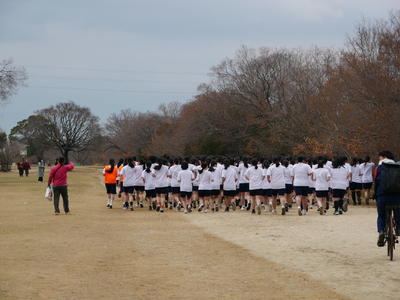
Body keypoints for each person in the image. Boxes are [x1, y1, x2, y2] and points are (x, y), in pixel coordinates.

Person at [375, 151, 400, 247]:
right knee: (398, 212)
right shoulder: (398, 167)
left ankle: (381, 231)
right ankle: (398, 229)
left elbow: (376, 182)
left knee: (381, 216)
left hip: (382, 196)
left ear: (383, 157)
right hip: (397, 197)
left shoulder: (379, 168)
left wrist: (376, 195)